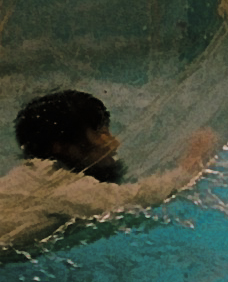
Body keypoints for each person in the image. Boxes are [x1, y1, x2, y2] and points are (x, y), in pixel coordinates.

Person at [1, 90, 215, 250]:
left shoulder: (28, 176)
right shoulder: (59, 188)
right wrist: (192, 160)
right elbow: (138, 200)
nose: (114, 143)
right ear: (61, 146)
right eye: (99, 133)